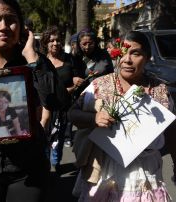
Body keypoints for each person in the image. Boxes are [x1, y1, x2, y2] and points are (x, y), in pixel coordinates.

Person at [0, 1, 70, 201]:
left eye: (11, 20)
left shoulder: (36, 61)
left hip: (29, 166)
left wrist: (32, 59)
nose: (3, 27)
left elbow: (59, 102)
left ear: (22, 27)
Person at [68, 30, 174, 201]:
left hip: (146, 173)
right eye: (123, 53)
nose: (127, 60)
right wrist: (93, 119)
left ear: (147, 58)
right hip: (106, 172)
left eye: (136, 53)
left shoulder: (159, 90)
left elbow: (171, 131)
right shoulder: (99, 85)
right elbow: (72, 114)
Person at [40, 26, 75, 172]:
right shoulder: (40, 61)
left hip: (63, 107)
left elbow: (77, 82)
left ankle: (56, 163)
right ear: (45, 43)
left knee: (59, 138)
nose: (55, 43)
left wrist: (68, 90)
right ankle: (44, 165)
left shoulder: (69, 60)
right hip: (44, 108)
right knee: (44, 136)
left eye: (58, 40)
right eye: (51, 40)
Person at [72, 28, 114, 100]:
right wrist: (73, 79)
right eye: (84, 44)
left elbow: (112, 74)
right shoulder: (75, 58)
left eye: (90, 43)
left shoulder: (104, 55)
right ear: (79, 44)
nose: (87, 47)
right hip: (83, 96)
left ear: (95, 42)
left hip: (103, 95)